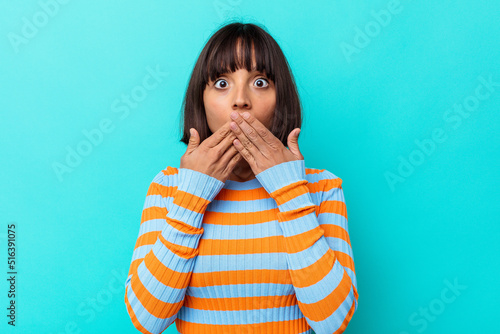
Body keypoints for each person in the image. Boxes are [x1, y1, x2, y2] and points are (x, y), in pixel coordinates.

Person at [124, 22, 358, 334]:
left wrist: (290, 191)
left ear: (282, 99)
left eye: (260, 82)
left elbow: (332, 322)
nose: (240, 101)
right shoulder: (169, 188)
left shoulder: (321, 187)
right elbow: (148, 319)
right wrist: (191, 196)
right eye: (222, 83)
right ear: (201, 102)